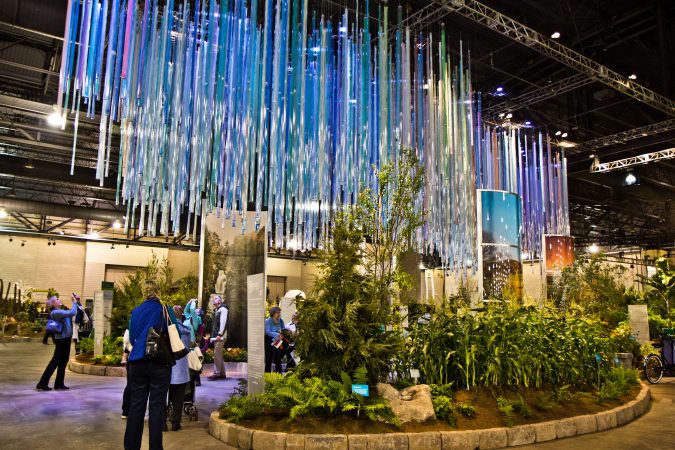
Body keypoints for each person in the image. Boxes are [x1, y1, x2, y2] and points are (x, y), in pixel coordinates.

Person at [123, 280, 177, 450]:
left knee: (136, 406)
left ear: (143, 292)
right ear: (158, 291)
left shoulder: (136, 311)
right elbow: (173, 331)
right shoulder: (165, 309)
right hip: (159, 364)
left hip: (137, 363)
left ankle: (131, 447)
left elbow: (132, 339)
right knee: (156, 408)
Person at [37, 294, 78, 390]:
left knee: (63, 361)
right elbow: (72, 312)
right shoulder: (55, 313)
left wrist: (77, 301)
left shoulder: (61, 311)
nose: (59, 300)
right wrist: (74, 302)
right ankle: (42, 383)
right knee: (55, 361)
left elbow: (74, 312)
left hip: (66, 339)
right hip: (61, 340)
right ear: (53, 304)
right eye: (56, 299)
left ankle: (59, 384)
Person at [167, 306, 191, 432]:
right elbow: (187, 349)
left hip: (167, 369)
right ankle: (176, 423)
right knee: (178, 399)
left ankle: (162, 423)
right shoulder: (186, 330)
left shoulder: (167, 329)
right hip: (181, 371)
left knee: (164, 397)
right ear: (181, 316)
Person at [207, 295, 228, 381]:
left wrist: (220, 334)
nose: (213, 300)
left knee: (216, 354)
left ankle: (217, 373)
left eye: (215, 298)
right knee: (218, 354)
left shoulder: (223, 309)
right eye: (213, 298)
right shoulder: (218, 310)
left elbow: (223, 322)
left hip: (220, 336)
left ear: (220, 301)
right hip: (218, 336)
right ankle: (222, 373)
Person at [264, 306, 286, 374]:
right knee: (269, 358)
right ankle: (267, 375)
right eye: (277, 312)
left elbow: (283, 330)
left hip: (278, 340)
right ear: (273, 313)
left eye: (279, 312)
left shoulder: (281, 320)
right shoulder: (268, 321)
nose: (279, 314)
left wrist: (282, 334)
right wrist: (277, 334)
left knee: (277, 358)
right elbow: (267, 332)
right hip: (269, 340)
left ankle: (278, 375)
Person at [121, 328, 132, 419]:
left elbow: (126, 345)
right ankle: (126, 410)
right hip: (134, 360)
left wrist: (124, 358)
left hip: (132, 359)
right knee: (130, 386)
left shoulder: (130, 327)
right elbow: (127, 345)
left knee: (130, 385)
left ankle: (126, 411)